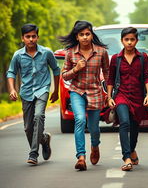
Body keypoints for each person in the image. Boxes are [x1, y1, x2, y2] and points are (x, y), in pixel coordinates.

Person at [6, 24, 60, 165]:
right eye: (27, 37)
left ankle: (33, 154)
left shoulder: (46, 52)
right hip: (26, 92)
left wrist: (55, 91)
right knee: (28, 127)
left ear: (38, 37)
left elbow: (56, 69)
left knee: (38, 116)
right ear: (22, 38)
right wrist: (12, 89)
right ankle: (43, 139)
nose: (31, 39)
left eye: (33, 36)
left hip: (43, 89)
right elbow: (11, 72)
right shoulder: (18, 55)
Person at [60, 20, 109, 171]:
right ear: (77, 37)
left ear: (91, 35)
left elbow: (107, 73)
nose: (85, 37)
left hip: (95, 92)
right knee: (80, 120)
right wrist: (76, 69)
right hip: (77, 91)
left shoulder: (101, 52)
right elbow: (64, 76)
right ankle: (81, 157)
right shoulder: (70, 53)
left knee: (94, 128)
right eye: (81, 34)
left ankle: (95, 146)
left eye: (88, 34)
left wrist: (109, 93)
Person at [107, 27, 148, 171]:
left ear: (136, 40)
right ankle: (126, 157)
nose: (129, 42)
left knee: (134, 126)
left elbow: (147, 76)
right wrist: (109, 97)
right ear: (122, 41)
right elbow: (110, 79)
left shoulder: (142, 58)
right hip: (121, 95)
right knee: (125, 123)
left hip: (137, 96)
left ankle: (132, 148)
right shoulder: (116, 59)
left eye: (132, 39)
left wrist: (147, 95)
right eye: (126, 39)